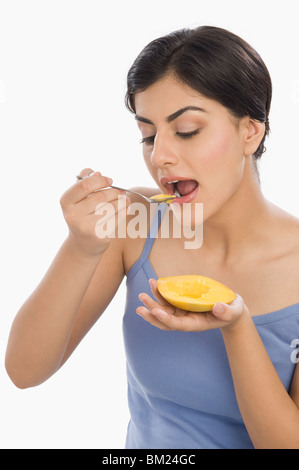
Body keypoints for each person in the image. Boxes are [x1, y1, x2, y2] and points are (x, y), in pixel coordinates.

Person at [5, 25, 299, 449]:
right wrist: (83, 247)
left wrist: (237, 329)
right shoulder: (135, 222)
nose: (159, 155)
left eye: (187, 130)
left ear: (250, 131)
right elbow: (24, 371)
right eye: (147, 135)